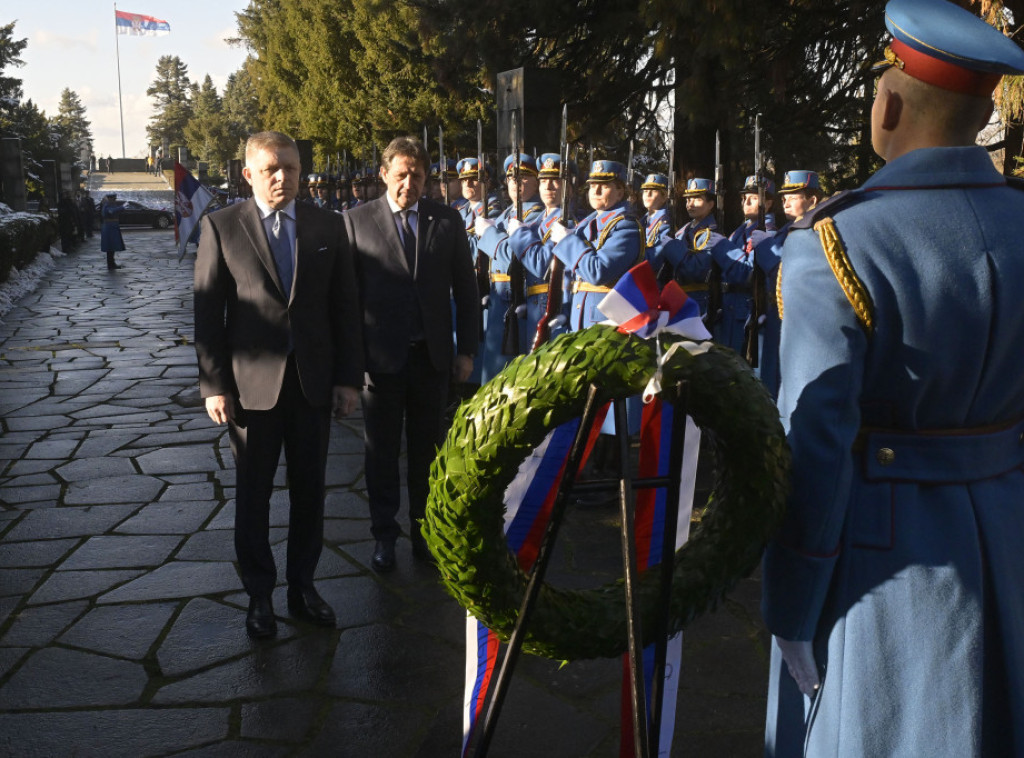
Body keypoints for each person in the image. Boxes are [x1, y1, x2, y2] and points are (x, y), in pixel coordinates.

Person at [762, 1, 1024, 755]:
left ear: (889, 102)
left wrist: (792, 605)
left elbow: (813, 447)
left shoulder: (837, 242)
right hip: (1006, 536)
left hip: (889, 563)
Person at [193, 130, 364, 639]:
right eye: (270, 169)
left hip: (312, 385)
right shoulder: (222, 227)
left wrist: (349, 380)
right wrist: (214, 385)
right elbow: (208, 313)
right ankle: (259, 596)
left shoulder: (328, 225)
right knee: (254, 495)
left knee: (310, 492)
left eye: (289, 167)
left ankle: (303, 587)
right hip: (251, 390)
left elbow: (345, 309)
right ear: (248, 174)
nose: (282, 177)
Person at [343, 136, 478, 572]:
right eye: (401, 175)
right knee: (381, 454)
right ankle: (385, 536)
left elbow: (466, 289)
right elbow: (346, 298)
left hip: (431, 360)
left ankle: (425, 533)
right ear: (384, 175)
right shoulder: (356, 222)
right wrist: (349, 363)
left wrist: (467, 350)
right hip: (379, 363)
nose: (409, 184)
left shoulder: (446, 220)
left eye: (417, 176)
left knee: (428, 453)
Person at [752, 170, 821, 399]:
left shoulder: (818, 230)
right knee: (771, 382)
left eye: (794, 195)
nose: (786, 201)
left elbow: (789, 270)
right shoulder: (787, 230)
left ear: (812, 200)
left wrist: (764, 248)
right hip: (776, 315)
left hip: (798, 317)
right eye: (784, 197)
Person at [475, 153, 544, 378]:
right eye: (512, 178)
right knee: (492, 378)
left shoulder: (539, 217)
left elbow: (512, 257)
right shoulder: (505, 215)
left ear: (537, 181)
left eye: (524, 177)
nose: (516, 183)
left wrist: (489, 234)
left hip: (521, 304)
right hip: (498, 302)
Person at [99, 193, 125, 270]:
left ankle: (112, 263)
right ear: (110, 199)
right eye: (114, 199)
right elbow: (109, 212)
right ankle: (110, 264)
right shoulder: (107, 205)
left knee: (112, 246)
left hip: (112, 227)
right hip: (109, 228)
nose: (114, 200)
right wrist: (120, 208)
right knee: (110, 246)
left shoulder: (111, 204)